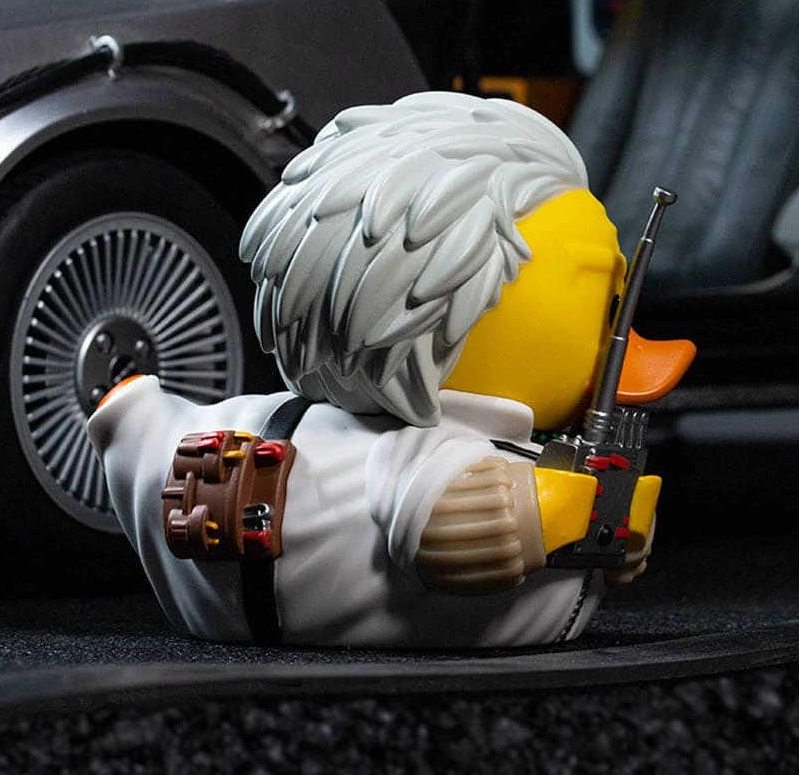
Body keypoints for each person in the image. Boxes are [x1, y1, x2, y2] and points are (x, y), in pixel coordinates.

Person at [87, 92, 689, 646]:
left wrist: (614, 539)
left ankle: (135, 425)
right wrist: (574, 510)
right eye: (603, 298)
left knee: (152, 435)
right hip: (238, 573)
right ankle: (135, 426)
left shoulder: (482, 444)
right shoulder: (436, 456)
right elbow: (463, 532)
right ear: (456, 289)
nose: (620, 332)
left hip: (227, 578)